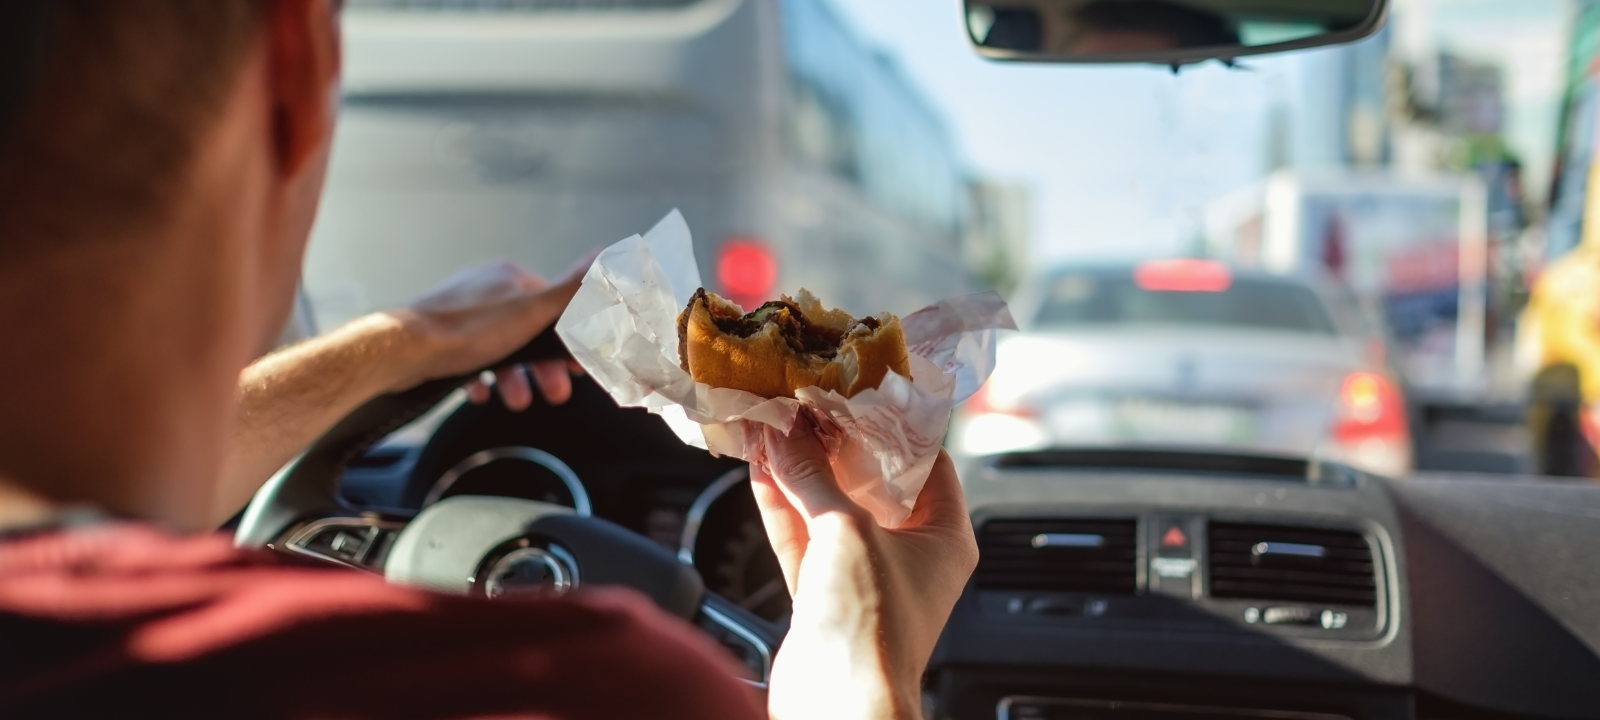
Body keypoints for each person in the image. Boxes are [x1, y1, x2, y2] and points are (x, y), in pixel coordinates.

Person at [0, 2, 979, 719]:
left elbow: (87, 512)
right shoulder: (573, 689)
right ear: (296, 73)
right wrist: (859, 673)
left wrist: (402, 347)